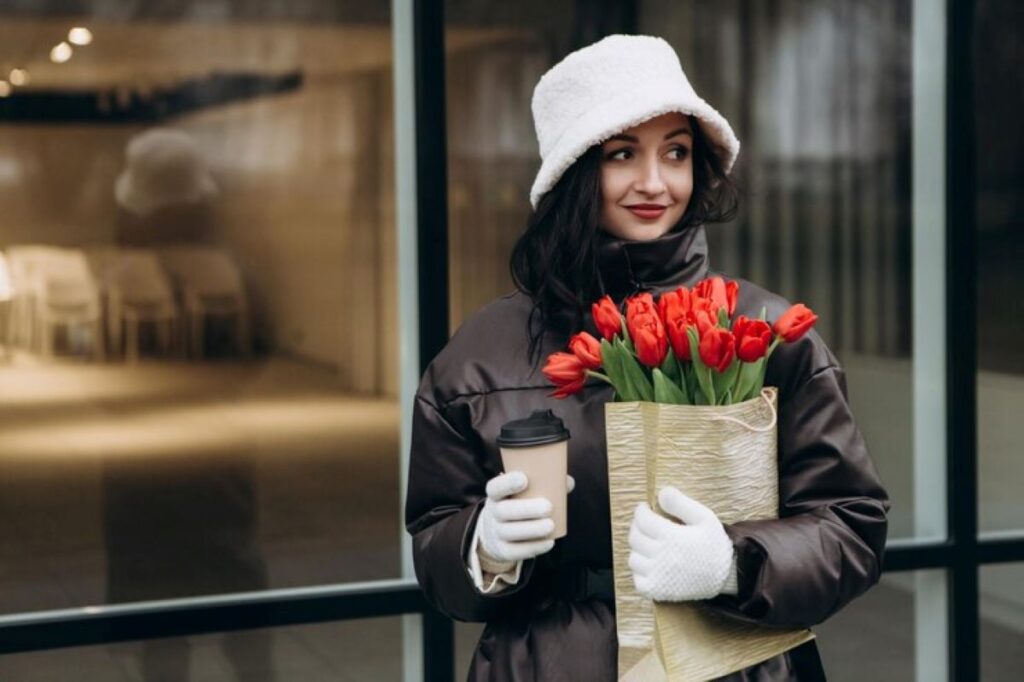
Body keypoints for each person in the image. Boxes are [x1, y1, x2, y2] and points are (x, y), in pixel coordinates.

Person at [405, 34, 889, 681]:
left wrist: (733, 563)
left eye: (677, 152)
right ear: (574, 169)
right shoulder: (480, 355)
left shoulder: (766, 333)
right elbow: (435, 543)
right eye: (623, 154)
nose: (655, 182)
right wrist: (482, 549)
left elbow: (851, 526)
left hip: (736, 666)